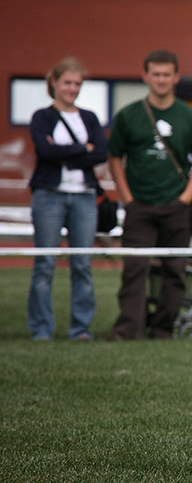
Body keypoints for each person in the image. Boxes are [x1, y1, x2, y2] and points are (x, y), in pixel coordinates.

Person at [107, 50, 192, 340]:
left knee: (175, 271)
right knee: (134, 270)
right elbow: (115, 157)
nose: (161, 80)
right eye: (155, 74)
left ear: (176, 77)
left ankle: (163, 329)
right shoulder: (129, 115)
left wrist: (185, 198)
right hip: (139, 205)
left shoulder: (189, 116)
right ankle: (128, 329)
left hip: (175, 205)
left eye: (166, 74)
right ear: (145, 76)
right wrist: (127, 197)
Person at [27, 57, 108, 341]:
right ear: (54, 83)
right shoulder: (42, 117)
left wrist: (63, 149)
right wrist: (80, 149)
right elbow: (44, 152)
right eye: (67, 82)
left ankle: (80, 329)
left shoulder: (88, 118)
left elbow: (100, 153)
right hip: (49, 195)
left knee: (82, 265)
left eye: (77, 83)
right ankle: (41, 329)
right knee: (45, 264)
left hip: (84, 197)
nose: (72, 88)